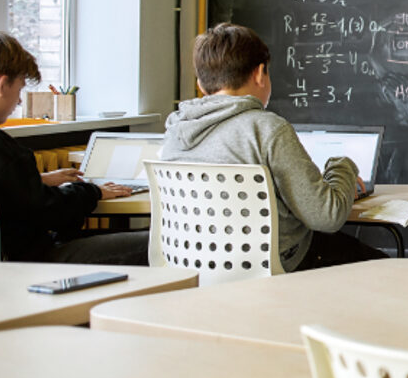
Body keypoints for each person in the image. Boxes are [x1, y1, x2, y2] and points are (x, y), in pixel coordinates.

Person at [162, 23, 384, 272]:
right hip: (274, 265)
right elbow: (326, 215)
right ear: (259, 74)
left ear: (201, 85)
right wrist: (342, 167)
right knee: (389, 268)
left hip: (191, 264)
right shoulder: (266, 129)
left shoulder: (174, 131)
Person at [0, 32, 144, 263]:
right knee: (155, 243)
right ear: (1, 85)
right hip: (28, 263)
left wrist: (39, 179)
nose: (19, 101)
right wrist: (94, 191)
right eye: (19, 89)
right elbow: (50, 211)